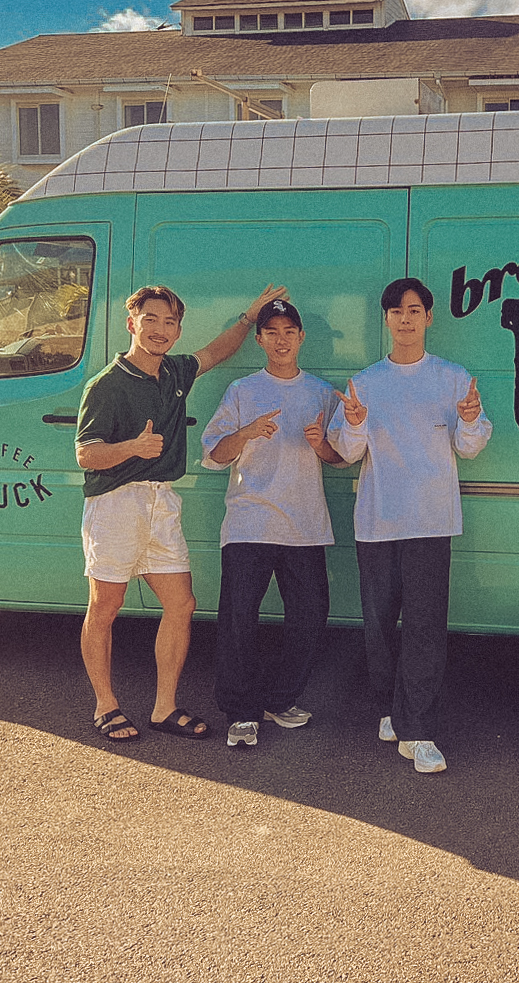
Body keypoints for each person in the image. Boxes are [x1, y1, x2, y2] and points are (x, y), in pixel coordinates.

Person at [76, 282, 285, 743]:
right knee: (106, 606)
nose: (160, 329)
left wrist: (249, 318)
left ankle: (164, 708)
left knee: (181, 604)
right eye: (150, 320)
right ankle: (105, 706)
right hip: (116, 503)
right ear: (131, 324)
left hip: (162, 502)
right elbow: (86, 454)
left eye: (169, 322)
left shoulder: (174, 371)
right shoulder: (106, 384)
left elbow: (215, 352)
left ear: (177, 330)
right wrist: (132, 447)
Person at [326, 278, 492, 774]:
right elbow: (345, 451)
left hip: (430, 522)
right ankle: (389, 708)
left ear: (429, 317)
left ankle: (417, 731)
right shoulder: (364, 382)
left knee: (425, 627)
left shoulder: (453, 378)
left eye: (414, 310)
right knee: (379, 625)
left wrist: (470, 418)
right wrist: (355, 422)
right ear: (386, 319)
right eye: (396, 311)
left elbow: (470, 446)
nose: (405, 318)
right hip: (377, 521)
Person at [201, 299, 344, 748]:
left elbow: (341, 457)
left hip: (305, 524)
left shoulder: (322, 392)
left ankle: (279, 699)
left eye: (289, 332)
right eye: (272, 332)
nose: (281, 340)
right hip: (250, 522)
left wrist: (321, 446)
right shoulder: (242, 391)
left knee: (311, 615)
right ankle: (241, 711)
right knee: (239, 619)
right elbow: (213, 455)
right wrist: (244, 433)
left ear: (301, 338)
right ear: (259, 339)